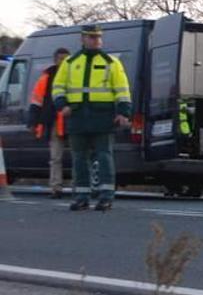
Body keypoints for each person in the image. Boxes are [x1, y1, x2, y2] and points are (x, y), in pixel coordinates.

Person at [52, 25, 131, 211]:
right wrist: (62, 104)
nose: (96, 40)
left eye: (98, 37)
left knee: (104, 157)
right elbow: (57, 87)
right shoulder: (70, 62)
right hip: (77, 116)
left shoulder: (111, 63)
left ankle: (106, 197)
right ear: (83, 39)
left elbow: (122, 90)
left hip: (102, 116)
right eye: (92, 37)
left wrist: (123, 112)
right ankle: (81, 196)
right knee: (79, 158)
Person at [27, 47, 70, 198]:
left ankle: (80, 188)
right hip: (55, 123)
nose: (63, 62)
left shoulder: (74, 75)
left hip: (72, 123)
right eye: (61, 59)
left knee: (79, 156)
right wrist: (32, 121)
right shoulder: (47, 77)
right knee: (56, 158)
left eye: (66, 59)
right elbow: (37, 100)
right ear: (55, 60)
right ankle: (56, 188)